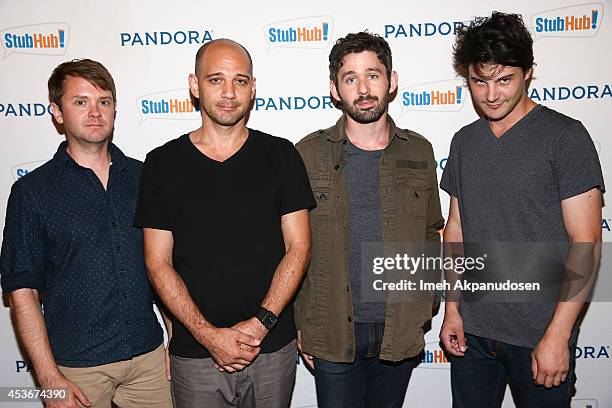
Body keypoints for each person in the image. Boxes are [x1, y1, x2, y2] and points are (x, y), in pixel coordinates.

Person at [135, 38, 315, 408]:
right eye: (216, 79)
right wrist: (208, 336)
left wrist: (259, 324)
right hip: (196, 353)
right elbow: (157, 262)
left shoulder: (282, 155)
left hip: (271, 347)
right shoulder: (161, 164)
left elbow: (299, 247)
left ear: (253, 88)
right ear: (194, 85)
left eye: (240, 80)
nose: (229, 92)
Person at [439, 12, 605, 408]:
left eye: (504, 80)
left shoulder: (565, 137)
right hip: (474, 338)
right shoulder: (464, 142)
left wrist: (557, 336)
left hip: (540, 334)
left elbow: (587, 244)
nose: (491, 94)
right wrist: (452, 311)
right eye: (480, 82)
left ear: (528, 73)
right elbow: (456, 230)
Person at [0, 59, 171, 408]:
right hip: (76, 369)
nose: (95, 112)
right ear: (57, 112)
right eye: (81, 102)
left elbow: (163, 266)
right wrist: (49, 379)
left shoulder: (144, 179)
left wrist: (175, 342)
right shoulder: (32, 192)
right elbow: (22, 293)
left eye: (104, 101)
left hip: (150, 360)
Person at [294, 31, 444, 408]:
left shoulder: (420, 151)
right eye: (350, 78)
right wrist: (303, 322)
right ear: (334, 89)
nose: (363, 88)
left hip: (400, 329)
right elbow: (291, 244)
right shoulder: (307, 154)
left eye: (373, 75)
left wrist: (425, 305)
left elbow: (431, 232)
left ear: (391, 81)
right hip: (331, 331)